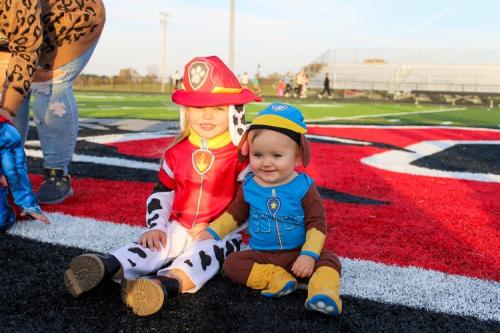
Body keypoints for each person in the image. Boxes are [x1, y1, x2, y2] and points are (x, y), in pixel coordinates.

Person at [63, 56, 261, 316]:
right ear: (186, 112)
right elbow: (162, 193)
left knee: (202, 257)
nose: (208, 115)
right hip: (178, 224)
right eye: (199, 108)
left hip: (222, 234)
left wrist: (215, 229)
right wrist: (156, 227)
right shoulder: (176, 152)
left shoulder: (242, 155)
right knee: (153, 246)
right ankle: (107, 266)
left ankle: (163, 285)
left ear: (235, 112)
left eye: (220, 108)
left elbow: (245, 202)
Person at [196, 103, 343, 316]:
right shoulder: (250, 185)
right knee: (232, 264)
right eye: (258, 155)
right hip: (262, 256)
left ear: (298, 156)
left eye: (276, 156)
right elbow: (235, 215)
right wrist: (211, 232)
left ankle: (324, 293)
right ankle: (275, 278)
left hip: (298, 254)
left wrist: (309, 255)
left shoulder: (304, 186)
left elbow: (317, 224)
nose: (266, 163)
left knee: (329, 260)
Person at [0, 0, 106, 205]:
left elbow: (25, 50)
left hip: (67, 20)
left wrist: (6, 112)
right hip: (18, 29)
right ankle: (10, 169)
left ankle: (57, 174)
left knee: (47, 87)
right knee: (6, 91)